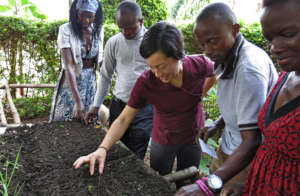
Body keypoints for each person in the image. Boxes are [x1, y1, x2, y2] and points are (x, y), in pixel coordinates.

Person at [73, 21, 216, 188]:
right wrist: (102, 148)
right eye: (152, 67)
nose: (157, 73)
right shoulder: (147, 82)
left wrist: (202, 93)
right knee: (159, 182)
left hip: (193, 136)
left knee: (189, 181)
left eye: (162, 66)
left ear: (178, 54)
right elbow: (124, 119)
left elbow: (213, 74)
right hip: (164, 138)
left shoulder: (199, 64)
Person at [175, 2, 278, 195]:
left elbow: (252, 140)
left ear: (235, 29)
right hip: (229, 145)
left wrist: (207, 185)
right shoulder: (227, 56)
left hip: (246, 158)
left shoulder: (248, 69)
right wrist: (219, 123)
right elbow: (244, 106)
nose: (207, 50)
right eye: (203, 44)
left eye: (213, 41)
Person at [220, 0, 300, 195]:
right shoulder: (286, 76)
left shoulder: (249, 67)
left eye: (288, 34)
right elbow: (273, 148)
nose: (274, 48)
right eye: (269, 39)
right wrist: (248, 185)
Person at [83, 1, 153, 160]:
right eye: (121, 27)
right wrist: (96, 105)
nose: (125, 32)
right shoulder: (114, 42)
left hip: (144, 108)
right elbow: (106, 76)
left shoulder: (152, 42)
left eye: (130, 28)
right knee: (117, 148)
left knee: (137, 152)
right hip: (119, 104)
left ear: (140, 21)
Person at [49, 0, 107, 123]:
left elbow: (100, 58)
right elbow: (69, 66)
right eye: (82, 15)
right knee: (63, 121)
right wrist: (77, 101)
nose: (85, 20)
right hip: (71, 81)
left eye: (89, 16)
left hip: (90, 82)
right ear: (76, 13)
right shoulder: (66, 29)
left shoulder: (98, 30)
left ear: (95, 15)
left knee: (87, 122)